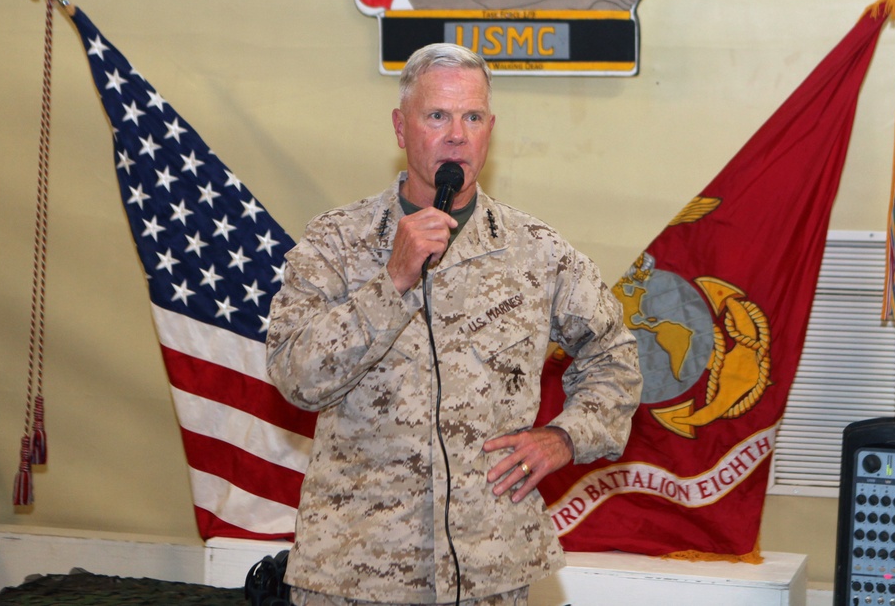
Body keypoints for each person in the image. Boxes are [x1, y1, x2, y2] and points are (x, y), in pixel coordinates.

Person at [266, 43, 642, 606]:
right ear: (401, 127)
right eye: (437, 115)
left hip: (489, 569)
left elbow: (615, 353)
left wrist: (567, 436)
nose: (456, 135)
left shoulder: (535, 251)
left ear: (490, 130)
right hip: (358, 572)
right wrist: (390, 281)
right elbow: (294, 375)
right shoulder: (336, 243)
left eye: (472, 117)